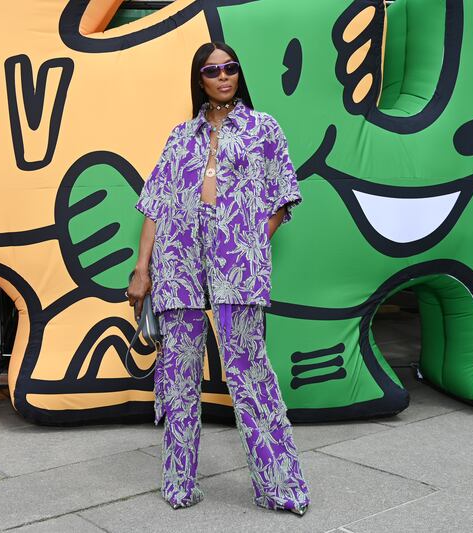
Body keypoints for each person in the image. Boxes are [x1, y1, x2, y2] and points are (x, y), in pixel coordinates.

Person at [127, 41, 310, 515]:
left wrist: (252, 238)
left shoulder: (263, 128)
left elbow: (282, 197)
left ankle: (279, 486)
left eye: (231, 68)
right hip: (179, 261)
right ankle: (179, 484)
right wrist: (142, 269)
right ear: (200, 80)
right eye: (213, 70)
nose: (223, 76)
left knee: (248, 371)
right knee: (179, 373)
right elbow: (154, 206)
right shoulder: (180, 136)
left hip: (237, 263)